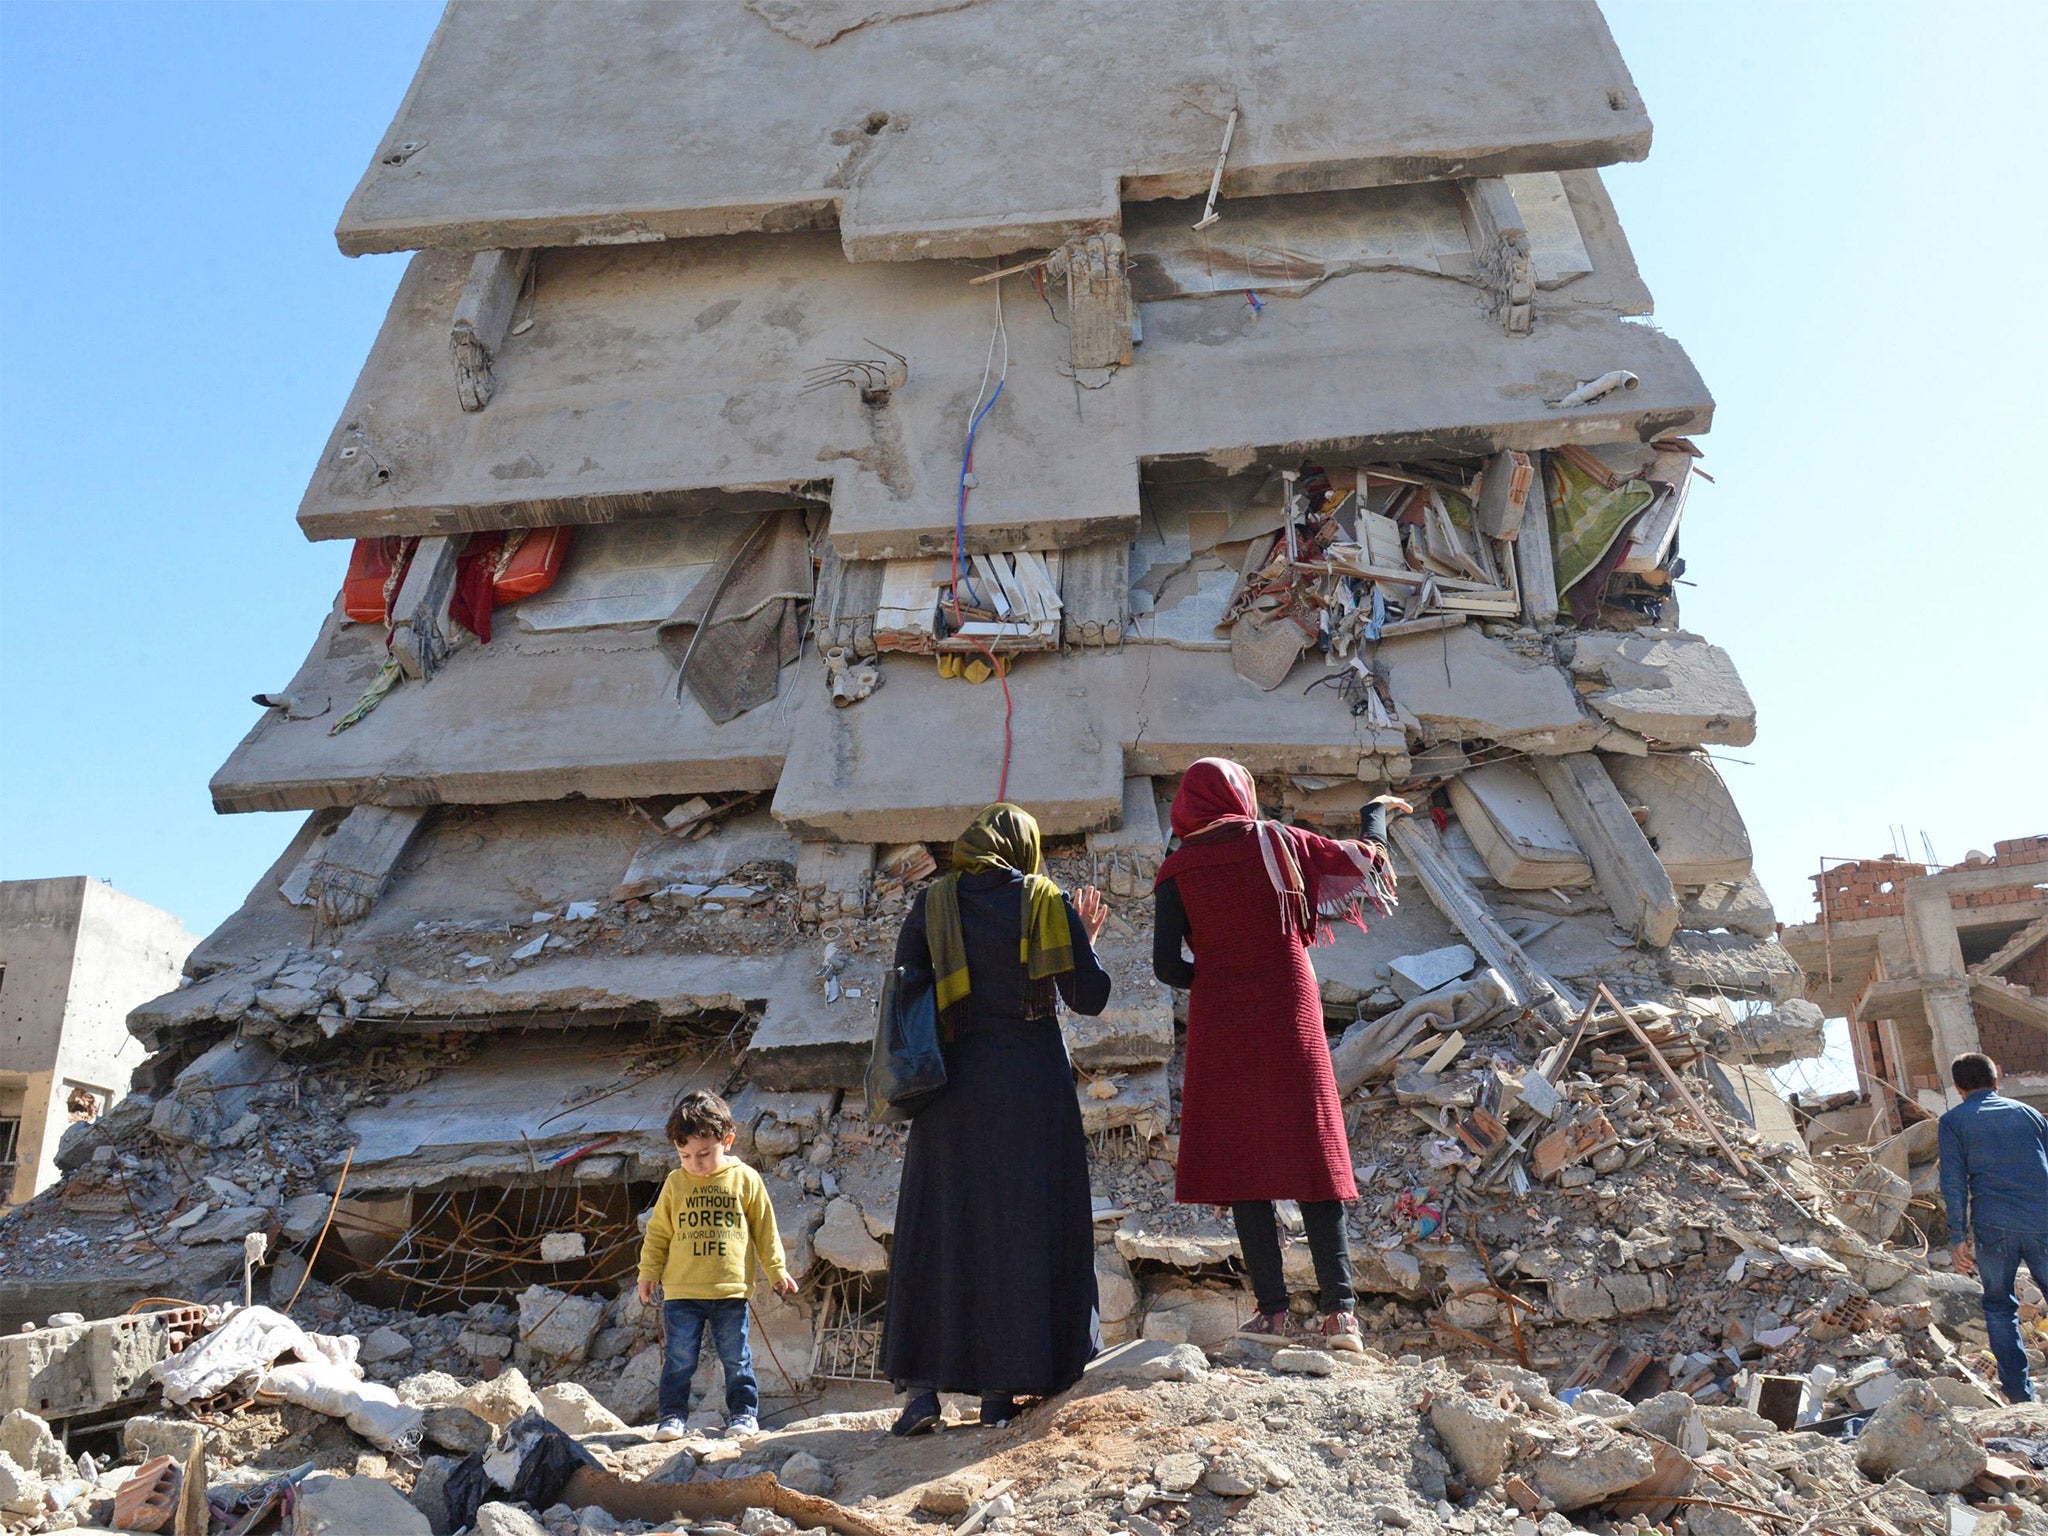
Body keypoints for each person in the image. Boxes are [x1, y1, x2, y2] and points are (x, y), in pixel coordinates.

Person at [1152, 757, 1404, 1351]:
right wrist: (1376, 816)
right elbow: (1365, 864)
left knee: (1244, 1159)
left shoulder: (1175, 870)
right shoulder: (1278, 841)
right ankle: (1341, 1315)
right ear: (1243, 795)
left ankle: (1271, 1314)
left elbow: (1166, 967)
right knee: (1312, 1146)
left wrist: (1221, 980)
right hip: (1290, 1004)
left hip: (1222, 1020)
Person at [880, 803, 1112, 1435]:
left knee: (943, 1225)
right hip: (1028, 1090)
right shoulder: (1043, 899)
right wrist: (1085, 941)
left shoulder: (932, 905)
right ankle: (1000, 1394)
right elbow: (1087, 999)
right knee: (1020, 1230)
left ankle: (923, 1393)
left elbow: (906, 989)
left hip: (950, 1090)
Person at [637, 1089, 797, 1440]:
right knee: (679, 1360)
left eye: (704, 1153)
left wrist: (776, 1270)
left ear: (727, 1140)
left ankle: (743, 1414)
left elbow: (764, 1229)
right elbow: (659, 1232)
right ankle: (672, 1417)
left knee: (736, 1358)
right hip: (682, 1292)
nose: (695, 1162)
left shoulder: (745, 1180)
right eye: (685, 1155)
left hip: (730, 1290)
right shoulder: (676, 1183)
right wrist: (648, 1272)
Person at [1939, 1052, 2048, 1403]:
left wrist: (1957, 1236)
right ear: (1996, 1079)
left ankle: (2020, 1400)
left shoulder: (1954, 1122)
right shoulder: (2030, 1115)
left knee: (2001, 1308)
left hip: (1993, 1226)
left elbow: (1953, 1182)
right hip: (2043, 1219)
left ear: (1958, 1088)